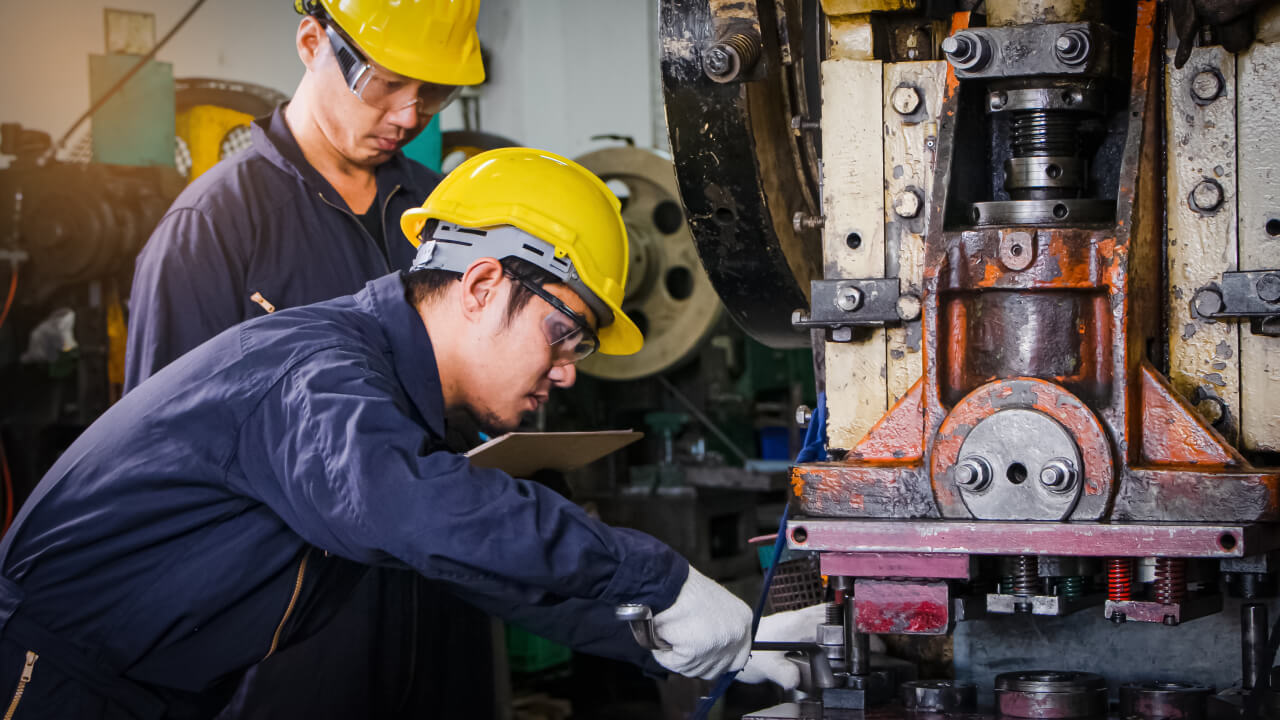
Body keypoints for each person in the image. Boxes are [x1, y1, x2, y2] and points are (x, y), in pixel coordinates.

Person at [0, 149, 805, 719]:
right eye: (566, 334)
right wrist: (658, 575)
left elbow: (477, 569)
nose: (567, 372)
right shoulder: (315, 372)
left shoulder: (394, 404)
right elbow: (422, 511)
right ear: (485, 283)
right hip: (51, 683)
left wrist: (670, 632)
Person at [122, 1, 493, 716]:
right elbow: (163, 469)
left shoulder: (447, 217)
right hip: (291, 638)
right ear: (311, 41)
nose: (411, 112)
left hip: (444, 608)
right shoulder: (212, 231)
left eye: (436, 91)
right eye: (387, 81)